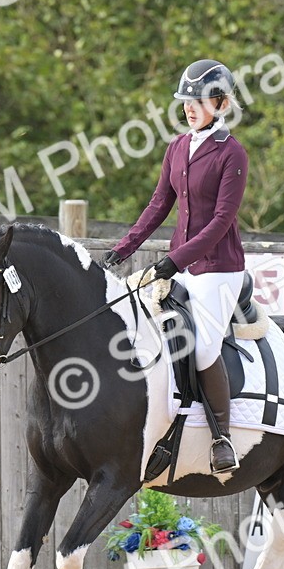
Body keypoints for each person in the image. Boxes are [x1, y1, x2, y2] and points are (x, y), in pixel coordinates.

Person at [102, 59, 248, 473]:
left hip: (218, 269)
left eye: (198, 100)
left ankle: (223, 437)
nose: (189, 107)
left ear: (219, 103)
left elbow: (221, 222)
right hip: (181, 263)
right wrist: (124, 248)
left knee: (202, 345)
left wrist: (171, 262)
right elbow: (159, 204)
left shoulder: (231, 153)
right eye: (186, 100)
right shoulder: (178, 148)